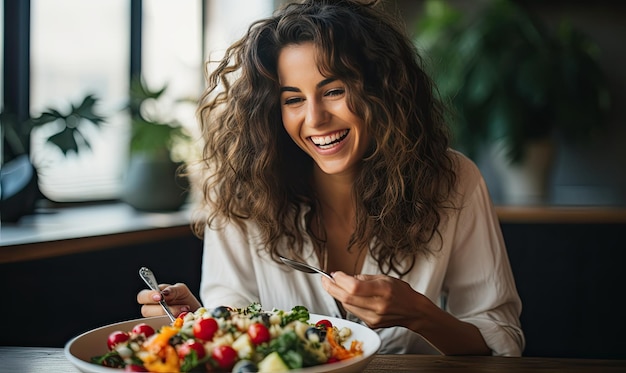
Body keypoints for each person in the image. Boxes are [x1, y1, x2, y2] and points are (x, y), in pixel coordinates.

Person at [137, 0, 525, 356]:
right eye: (293, 99)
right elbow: (240, 344)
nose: (316, 119)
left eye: (334, 90)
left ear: (382, 92)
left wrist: (419, 315)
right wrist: (195, 322)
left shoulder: (453, 180)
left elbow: (501, 341)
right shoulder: (241, 194)